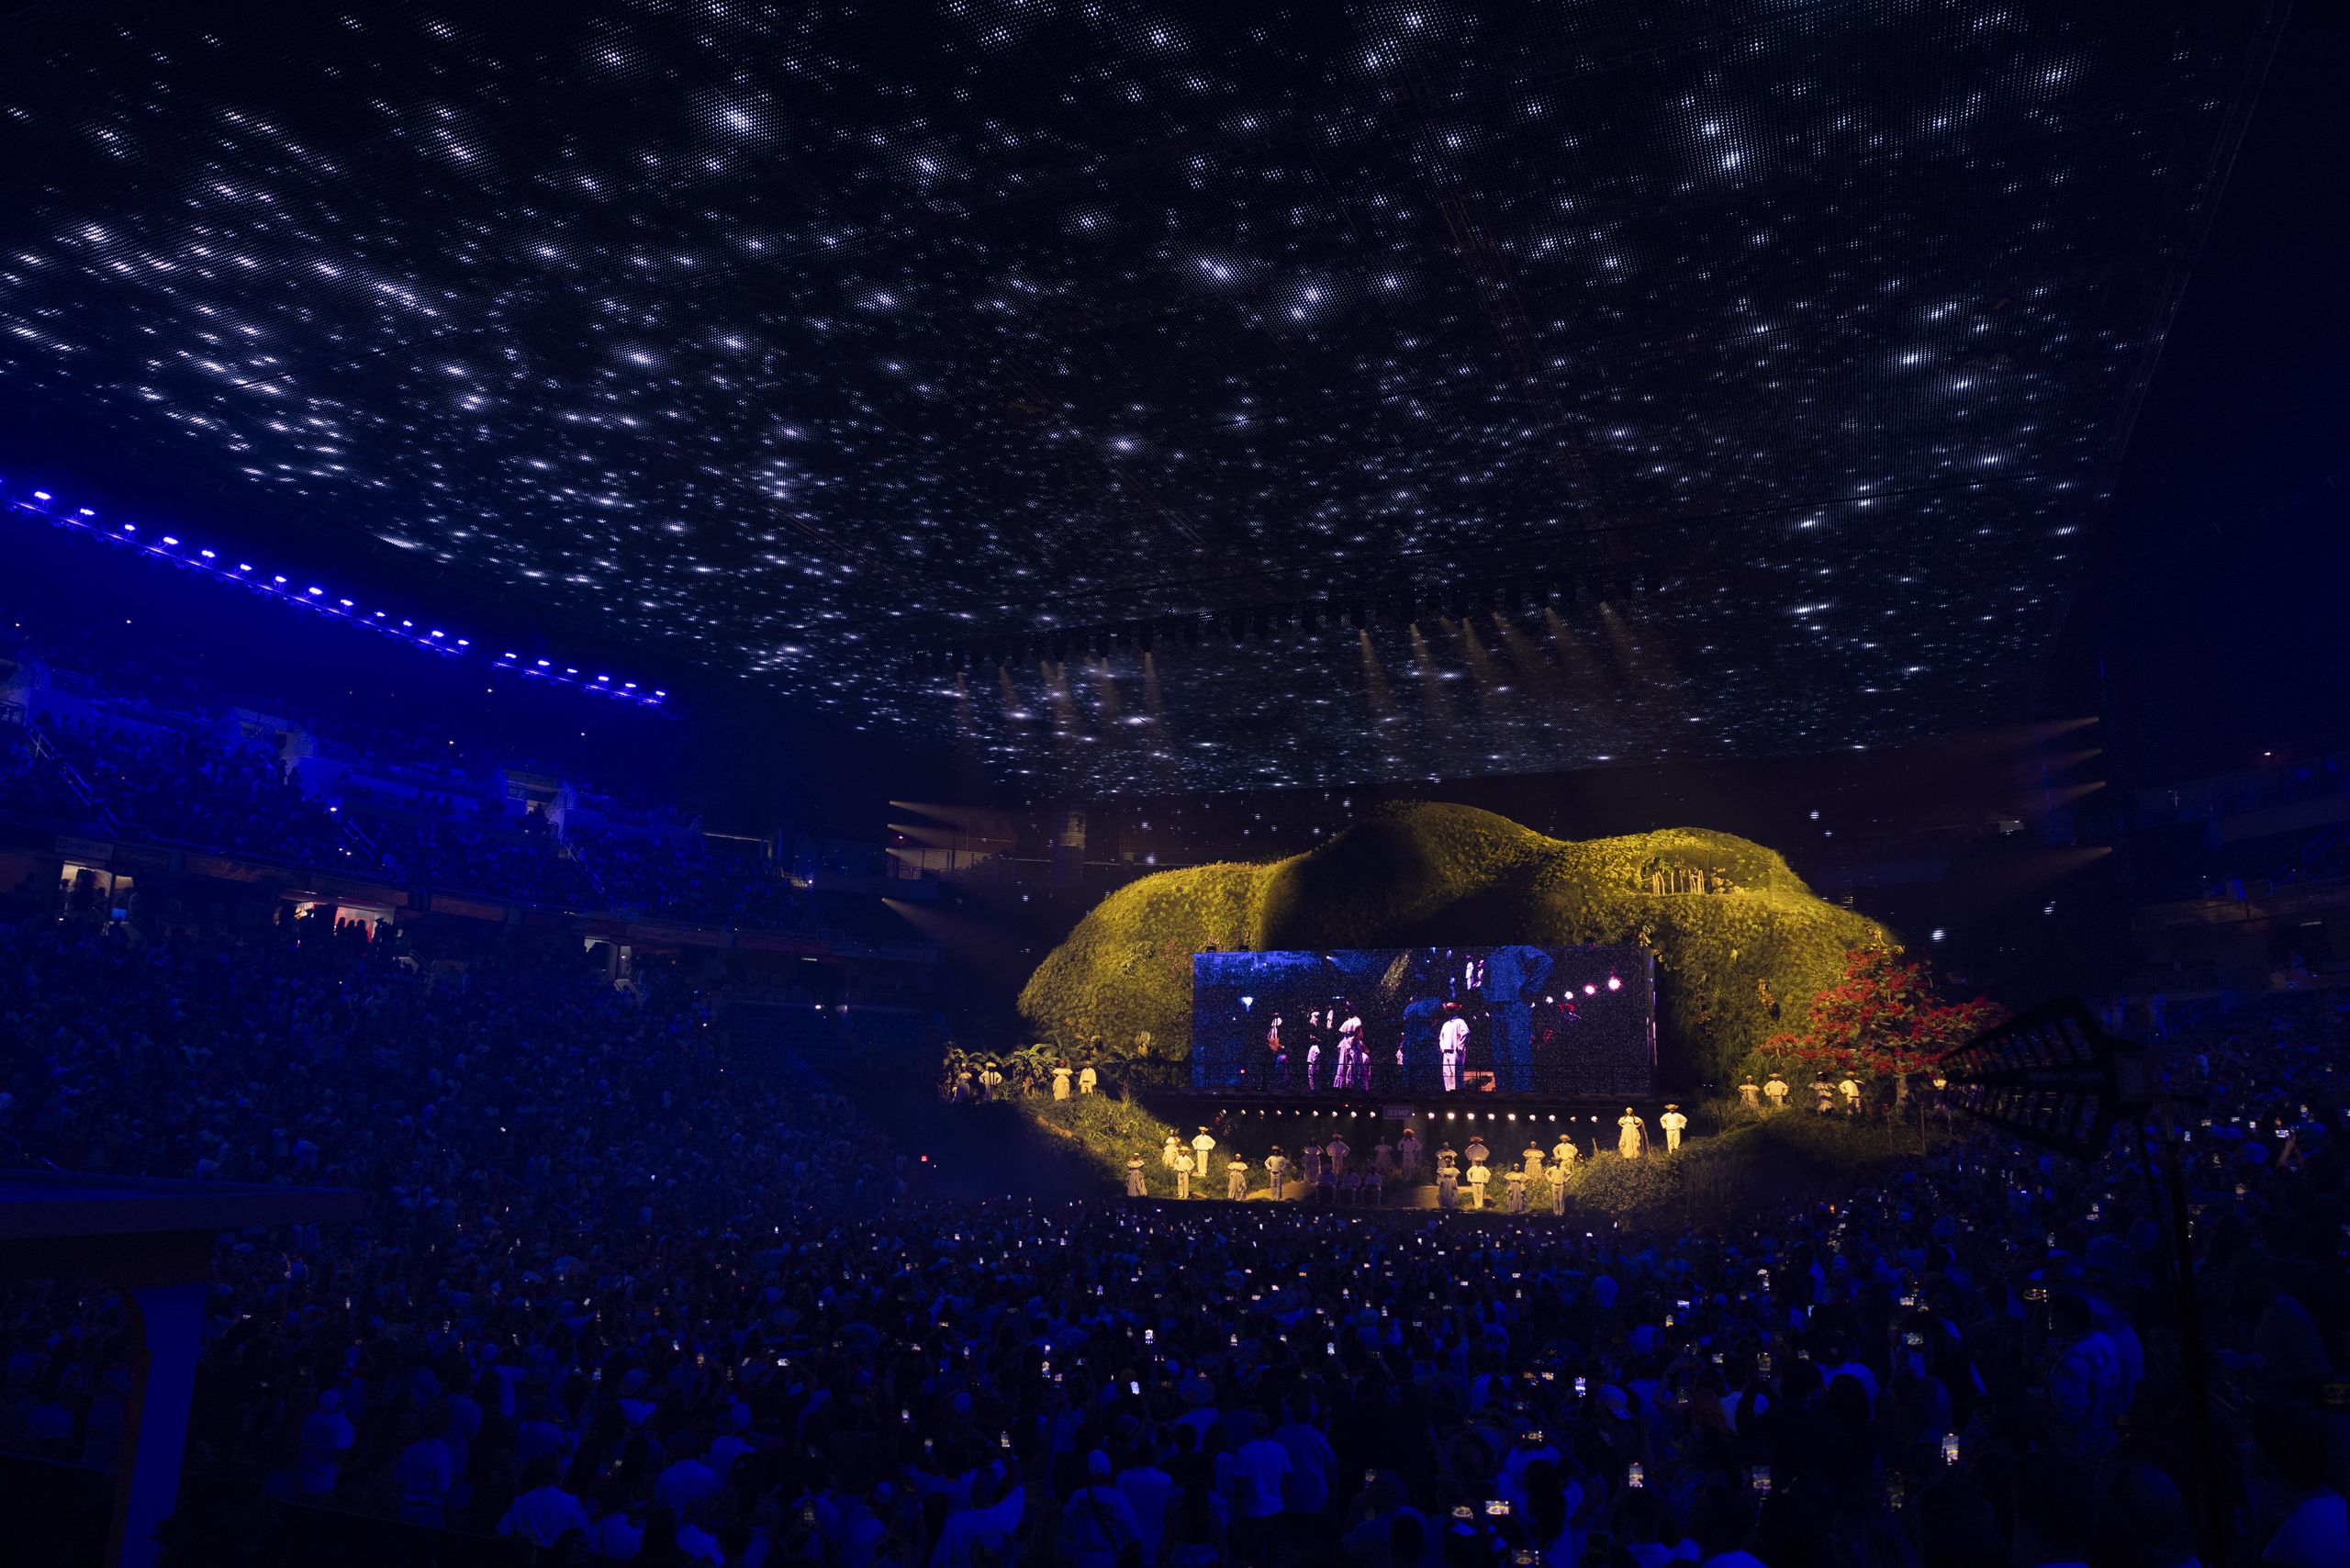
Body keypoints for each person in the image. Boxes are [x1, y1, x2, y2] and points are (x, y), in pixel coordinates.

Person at [1482, 946, 1553, 1092]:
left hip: (1516, 1006)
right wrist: (1489, 997)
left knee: (1518, 1054)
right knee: (1500, 1057)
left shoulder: (1519, 949)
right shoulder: (1492, 957)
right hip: (1498, 1008)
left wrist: (1531, 988)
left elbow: (1546, 962)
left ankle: (1522, 1095)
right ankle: (1504, 1093)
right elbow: (1485, 982)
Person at [1060, 1450, 1143, 1568]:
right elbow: (1134, 1536)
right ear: (1109, 1470)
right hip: (1109, 1561)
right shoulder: (1117, 1498)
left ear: (1088, 1471)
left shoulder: (1077, 1496)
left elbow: (1067, 1533)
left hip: (1081, 1560)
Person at [1438, 1007, 1470, 1092]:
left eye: (1450, 1010)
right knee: (1446, 1073)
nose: (1449, 1012)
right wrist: (1442, 1048)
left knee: (1456, 1072)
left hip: (1455, 1052)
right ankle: (1448, 1090)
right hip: (1446, 1051)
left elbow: (1466, 1033)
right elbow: (1441, 1037)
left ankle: (1457, 1092)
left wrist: (1460, 1047)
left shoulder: (1460, 1021)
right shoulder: (1445, 1024)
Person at [1266, 1014, 1288, 1089]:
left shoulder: (1279, 1030)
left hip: (1277, 1044)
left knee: (1280, 1068)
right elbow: (1270, 1035)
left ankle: (1282, 1084)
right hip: (1274, 1042)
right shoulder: (1273, 1029)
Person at [1436, 1146, 1459, 1210]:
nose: (1448, 1163)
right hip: (1445, 1181)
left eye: (1449, 1162)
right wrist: (1442, 1178)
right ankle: (1444, 1204)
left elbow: (1457, 1173)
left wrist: (1453, 1178)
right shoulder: (1443, 1169)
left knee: (1451, 1192)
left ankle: (1451, 1204)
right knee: (1445, 1191)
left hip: (1451, 1181)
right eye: (1447, 1162)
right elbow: (1438, 1172)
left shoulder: (1453, 1169)